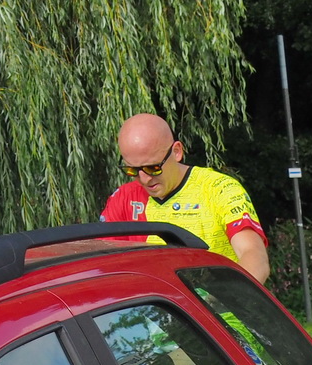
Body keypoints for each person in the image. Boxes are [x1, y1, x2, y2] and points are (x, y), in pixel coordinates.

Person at [100, 113, 270, 283]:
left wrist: (230, 295)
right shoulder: (123, 197)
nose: (145, 179)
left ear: (176, 152)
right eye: (133, 170)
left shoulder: (219, 189)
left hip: (218, 298)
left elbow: (255, 256)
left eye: (153, 168)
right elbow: (102, 262)